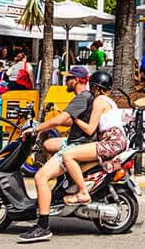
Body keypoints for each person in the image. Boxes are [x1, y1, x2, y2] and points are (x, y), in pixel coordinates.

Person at [18, 67, 94, 242]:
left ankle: (43, 226)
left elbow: (61, 120)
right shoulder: (85, 97)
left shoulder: (81, 98)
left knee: (40, 178)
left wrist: (36, 128)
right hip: (75, 141)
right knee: (48, 144)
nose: (65, 81)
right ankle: (62, 182)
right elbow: (67, 120)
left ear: (76, 80)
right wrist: (50, 123)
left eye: (68, 78)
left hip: (76, 145)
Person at [58, 71, 128, 205]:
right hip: (119, 140)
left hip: (111, 142)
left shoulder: (99, 101)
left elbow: (90, 129)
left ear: (96, 87)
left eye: (92, 86)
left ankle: (83, 193)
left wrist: (75, 119)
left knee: (68, 156)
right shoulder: (110, 101)